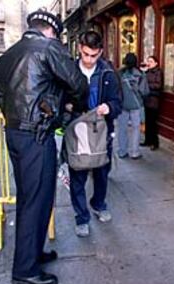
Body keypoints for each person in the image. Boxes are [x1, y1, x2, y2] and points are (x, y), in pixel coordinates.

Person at [0, 9, 88, 284]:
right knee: (37, 201)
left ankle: (33, 254)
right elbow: (78, 84)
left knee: (29, 197)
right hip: (37, 135)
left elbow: (0, 96)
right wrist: (67, 104)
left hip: (15, 132)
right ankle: (25, 268)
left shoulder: (6, 56)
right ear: (51, 32)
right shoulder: (48, 48)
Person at [69, 30, 122, 237]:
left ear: (100, 52)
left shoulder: (109, 73)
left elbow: (118, 103)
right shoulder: (69, 71)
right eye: (85, 55)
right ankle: (81, 217)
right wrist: (66, 108)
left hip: (101, 131)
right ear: (80, 49)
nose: (89, 60)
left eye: (93, 55)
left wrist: (109, 107)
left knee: (101, 173)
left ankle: (98, 204)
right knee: (78, 175)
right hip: (77, 131)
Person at [117, 52, 149, 159]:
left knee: (122, 128)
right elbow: (144, 91)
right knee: (136, 128)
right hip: (136, 104)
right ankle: (134, 152)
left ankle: (122, 151)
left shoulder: (119, 73)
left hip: (122, 104)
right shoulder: (140, 74)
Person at [141, 56, 163, 150]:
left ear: (156, 63)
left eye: (151, 61)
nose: (148, 63)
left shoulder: (158, 72)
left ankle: (155, 143)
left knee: (153, 123)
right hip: (146, 100)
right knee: (147, 122)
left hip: (154, 100)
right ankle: (147, 140)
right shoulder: (146, 72)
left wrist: (147, 86)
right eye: (148, 61)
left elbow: (158, 85)